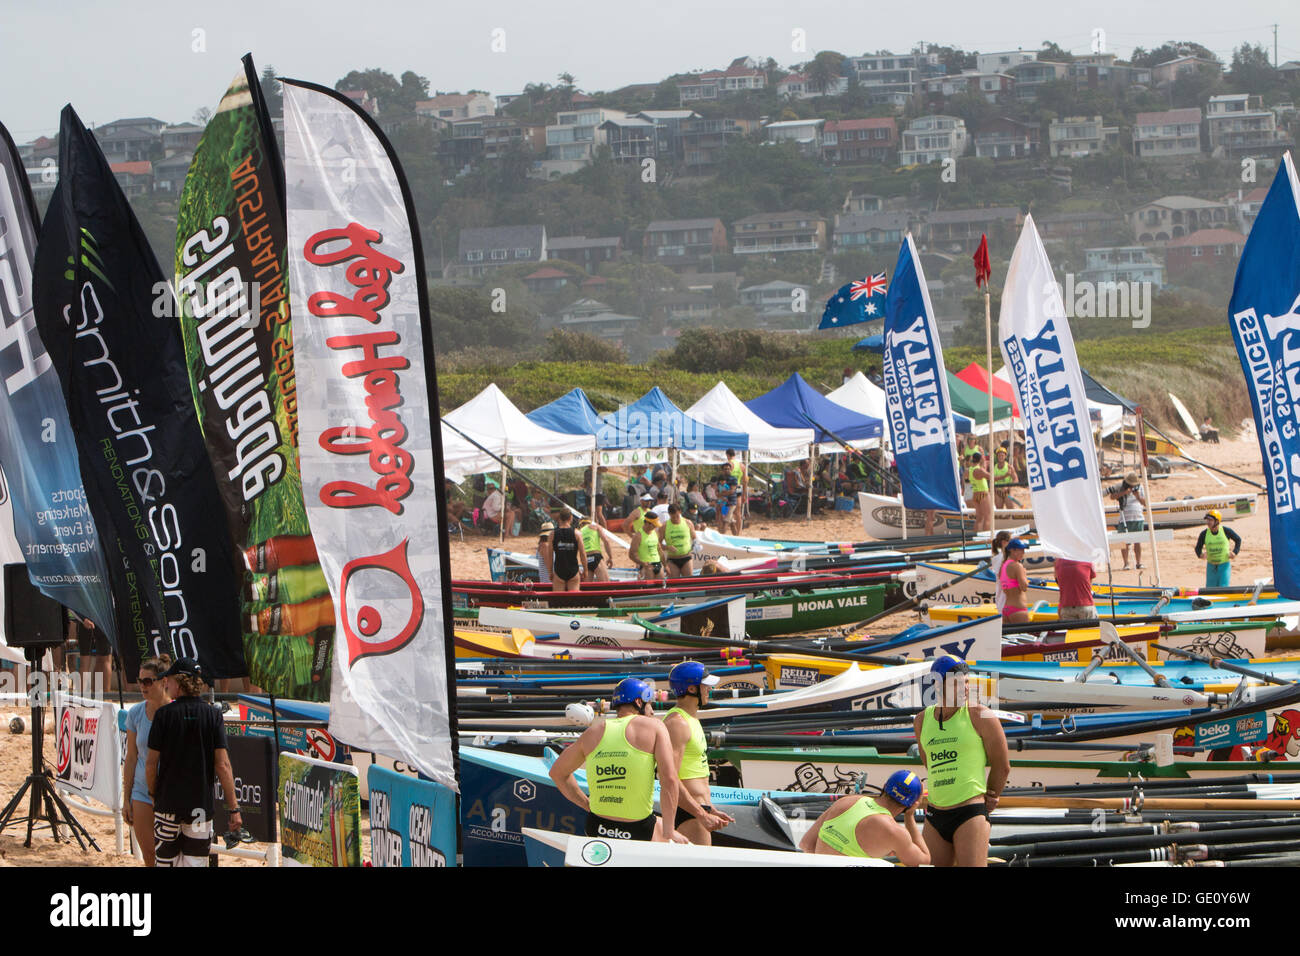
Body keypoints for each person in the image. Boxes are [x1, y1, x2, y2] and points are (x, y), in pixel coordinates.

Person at [548, 678, 687, 843]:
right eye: (649, 704)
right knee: (667, 833)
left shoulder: (593, 732)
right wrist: (669, 830)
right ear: (638, 702)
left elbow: (557, 773)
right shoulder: (655, 727)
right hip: (638, 828)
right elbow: (669, 780)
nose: (651, 711)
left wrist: (587, 804)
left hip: (597, 825)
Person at [913, 655, 1010, 867]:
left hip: (970, 813)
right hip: (934, 813)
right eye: (956, 683)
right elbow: (929, 763)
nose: (964, 688)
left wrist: (992, 794)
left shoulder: (980, 715)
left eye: (966, 681)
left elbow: (1002, 766)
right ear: (937, 685)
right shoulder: (921, 720)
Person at [146, 658, 242, 867]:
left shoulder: (163, 715)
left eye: (169, 681)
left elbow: (151, 763)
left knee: (165, 862)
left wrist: (153, 794)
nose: (166, 685)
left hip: (167, 804)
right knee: (196, 863)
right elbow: (222, 765)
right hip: (199, 807)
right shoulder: (213, 715)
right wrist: (234, 808)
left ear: (179, 683)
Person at [662, 661, 733, 844]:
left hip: (697, 809)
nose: (710, 689)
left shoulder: (692, 719)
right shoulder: (677, 723)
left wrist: (710, 809)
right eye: (706, 685)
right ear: (692, 689)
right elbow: (670, 778)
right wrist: (701, 814)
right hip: (688, 812)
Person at [800, 770, 929, 863]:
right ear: (912, 804)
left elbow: (806, 844)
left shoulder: (847, 801)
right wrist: (909, 816)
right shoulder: (895, 832)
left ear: (884, 786)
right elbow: (923, 861)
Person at [122, 654, 173, 866]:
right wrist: (126, 798)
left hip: (170, 793)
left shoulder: (176, 712)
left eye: (148, 681)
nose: (142, 686)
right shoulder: (135, 713)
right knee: (149, 856)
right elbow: (131, 758)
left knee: (171, 856)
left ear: (163, 681)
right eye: (140, 680)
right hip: (142, 792)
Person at [1196, 510, 1242, 588]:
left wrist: (1235, 552)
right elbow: (1198, 547)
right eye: (1207, 520)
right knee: (1210, 590)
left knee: (1223, 588)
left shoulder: (1226, 531)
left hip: (1224, 566)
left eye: (1210, 520)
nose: (1208, 522)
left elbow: (1238, 540)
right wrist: (1200, 555)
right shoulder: (1204, 534)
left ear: (1217, 521)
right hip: (1211, 567)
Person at [1109, 472, 1145, 570]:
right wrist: (1124, 493)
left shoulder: (1140, 488)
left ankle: (1139, 562)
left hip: (1138, 517)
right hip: (1124, 517)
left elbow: (1145, 503)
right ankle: (1126, 563)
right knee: (1124, 541)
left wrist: (1137, 496)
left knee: (1137, 541)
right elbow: (1112, 496)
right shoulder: (1122, 486)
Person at [549, 510, 585, 591]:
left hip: (559, 569)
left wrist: (550, 572)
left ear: (559, 519)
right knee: (574, 601)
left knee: (558, 601)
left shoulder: (552, 534)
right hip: (573, 569)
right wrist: (585, 570)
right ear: (571, 518)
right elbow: (582, 553)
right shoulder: (577, 533)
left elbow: (550, 555)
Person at [998, 538, 1030, 625]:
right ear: (1012, 550)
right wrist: (1024, 574)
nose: (1023, 552)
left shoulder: (1003, 566)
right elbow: (1024, 587)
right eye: (1021, 550)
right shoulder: (1017, 566)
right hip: (1018, 609)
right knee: (1025, 637)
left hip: (1006, 609)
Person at [660, 502, 696, 578]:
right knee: (674, 583)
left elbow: (694, 538)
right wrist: (667, 547)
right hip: (672, 559)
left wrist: (696, 545)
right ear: (669, 514)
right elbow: (658, 544)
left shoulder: (688, 522)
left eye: (677, 516)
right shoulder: (664, 526)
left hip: (686, 557)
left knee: (688, 582)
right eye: (673, 517)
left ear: (680, 512)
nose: (675, 519)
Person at [630, 510, 664, 580]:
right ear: (647, 523)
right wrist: (642, 563)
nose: (655, 527)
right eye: (654, 525)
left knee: (661, 588)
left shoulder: (655, 532)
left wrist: (666, 565)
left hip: (658, 564)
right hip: (646, 566)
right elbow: (631, 554)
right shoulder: (638, 536)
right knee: (648, 589)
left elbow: (659, 549)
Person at [578, 516, 612, 582]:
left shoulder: (578, 532)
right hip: (596, 556)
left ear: (581, 525)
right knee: (607, 586)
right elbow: (606, 541)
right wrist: (610, 557)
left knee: (587, 589)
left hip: (585, 559)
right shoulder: (595, 527)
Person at [968, 451, 992, 533]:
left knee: (979, 518)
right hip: (983, 493)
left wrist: (983, 462)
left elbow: (982, 469)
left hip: (975, 494)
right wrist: (1006, 475)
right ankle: (987, 538)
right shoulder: (979, 470)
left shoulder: (970, 469)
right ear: (980, 459)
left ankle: (975, 536)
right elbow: (991, 477)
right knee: (987, 517)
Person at [989, 530, 1011, 614]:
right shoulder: (1003, 558)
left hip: (1000, 596)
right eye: (1010, 541)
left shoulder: (995, 558)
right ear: (1004, 542)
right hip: (1005, 597)